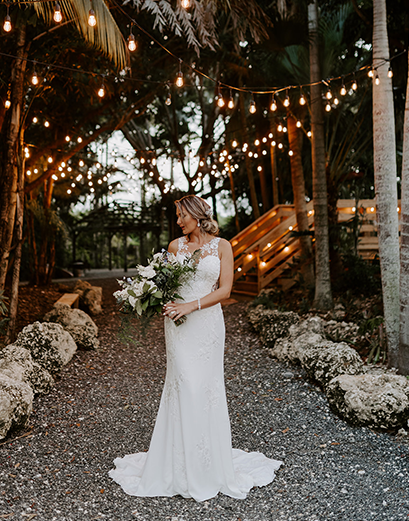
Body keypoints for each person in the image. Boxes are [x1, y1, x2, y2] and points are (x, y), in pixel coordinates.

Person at [109, 195, 283, 501]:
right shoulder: (175, 247)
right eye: (177, 216)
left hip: (207, 325)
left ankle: (207, 463)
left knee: (205, 388)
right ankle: (177, 464)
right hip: (178, 326)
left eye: (180, 215)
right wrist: (151, 296)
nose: (177, 221)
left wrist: (192, 306)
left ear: (195, 215)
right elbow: (166, 285)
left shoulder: (223, 246)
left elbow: (226, 290)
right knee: (184, 385)